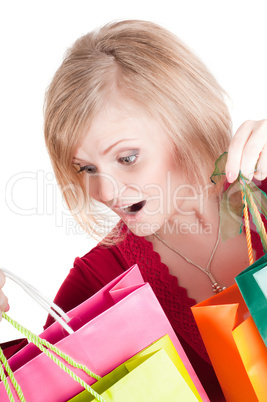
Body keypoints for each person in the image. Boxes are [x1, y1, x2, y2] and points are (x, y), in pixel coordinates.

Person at [1, 20, 267, 400]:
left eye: (127, 157)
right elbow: (30, 387)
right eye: (86, 169)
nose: (104, 191)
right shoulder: (102, 284)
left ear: (188, 124)